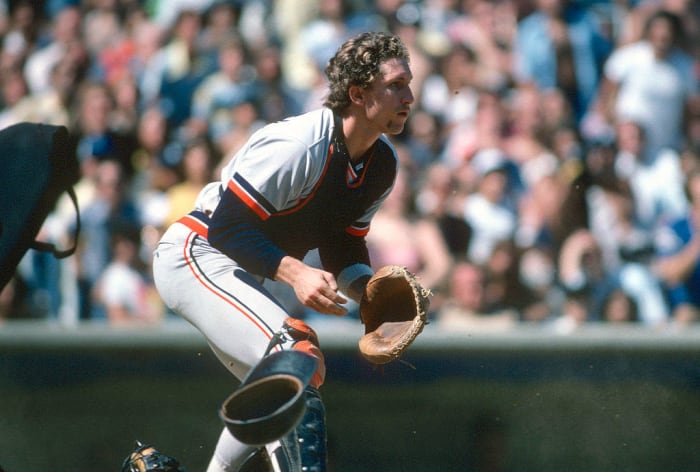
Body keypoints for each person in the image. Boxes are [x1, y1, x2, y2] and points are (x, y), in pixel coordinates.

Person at [152, 31, 415, 471]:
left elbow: (341, 240)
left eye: (409, 83)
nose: (409, 95)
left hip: (236, 269)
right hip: (195, 252)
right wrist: (295, 273)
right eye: (395, 85)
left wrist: (365, 290)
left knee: (292, 382)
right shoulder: (300, 143)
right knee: (294, 350)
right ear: (357, 93)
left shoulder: (382, 163)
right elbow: (227, 228)